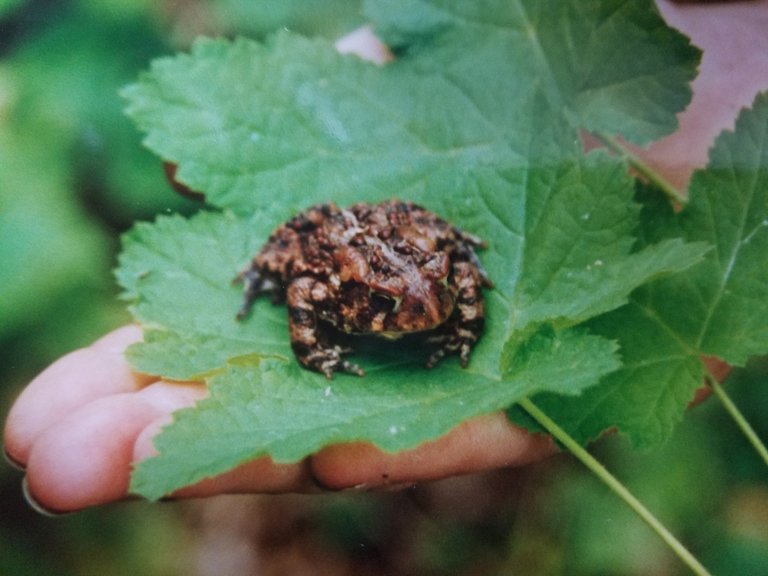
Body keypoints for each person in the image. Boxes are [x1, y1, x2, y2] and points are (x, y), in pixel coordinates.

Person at [3, 0, 764, 514]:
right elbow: (305, 291)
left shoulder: (439, 277)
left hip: (402, 238)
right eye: (408, 308)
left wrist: (458, 317)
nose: (425, 308)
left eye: (431, 296)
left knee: (433, 243)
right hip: (348, 246)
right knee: (292, 248)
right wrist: (320, 350)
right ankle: (272, 266)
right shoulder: (344, 291)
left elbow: (457, 278)